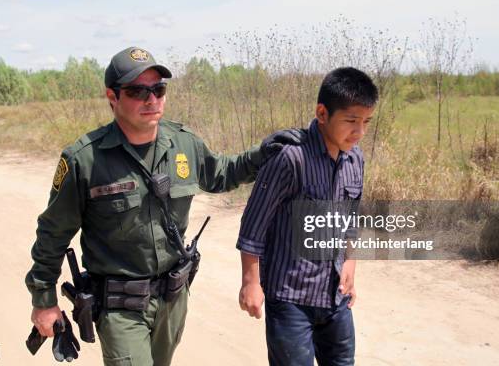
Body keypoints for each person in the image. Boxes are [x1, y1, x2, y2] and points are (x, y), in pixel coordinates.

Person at [25, 46, 304, 366]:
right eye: (137, 91)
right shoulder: (85, 159)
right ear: (112, 97)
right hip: (120, 308)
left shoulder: (184, 143)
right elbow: (52, 234)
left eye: (158, 89)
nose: (151, 99)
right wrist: (44, 300)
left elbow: (221, 174)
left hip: (173, 299)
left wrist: (262, 153)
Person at [236, 67, 378, 366]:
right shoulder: (291, 158)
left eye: (366, 122)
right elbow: (253, 225)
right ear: (322, 113)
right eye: (351, 121)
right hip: (290, 299)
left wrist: (351, 265)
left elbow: (351, 219)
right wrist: (250, 282)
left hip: (335, 296)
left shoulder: (356, 158)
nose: (359, 131)